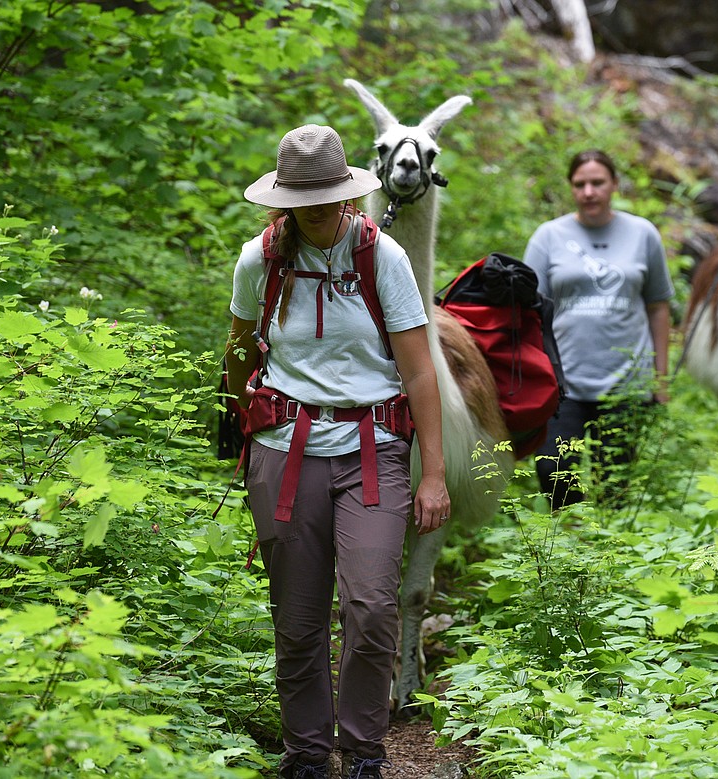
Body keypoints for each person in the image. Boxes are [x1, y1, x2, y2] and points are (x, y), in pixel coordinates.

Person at [225, 124, 450, 779]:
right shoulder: (259, 259)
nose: (320, 209)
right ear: (284, 199)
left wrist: (432, 471)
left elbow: (419, 372)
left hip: (372, 450)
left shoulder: (383, 259)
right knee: (296, 617)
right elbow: (240, 350)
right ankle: (306, 751)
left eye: (330, 194)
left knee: (371, 604)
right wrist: (234, 419)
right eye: (306, 197)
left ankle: (364, 749)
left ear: (350, 192)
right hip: (283, 451)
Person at [523, 149, 674, 511]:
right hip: (563, 383)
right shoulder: (548, 236)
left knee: (616, 487)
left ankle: (611, 557)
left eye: (597, 183)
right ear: (571, 188)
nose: (589, 191)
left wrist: (661, 379)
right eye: (580, 184)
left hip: (627, 384)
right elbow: (527, 310)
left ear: (615, 185)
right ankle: (570, 547)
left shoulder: (642, 234)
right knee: (554, 473)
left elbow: (657, 306)